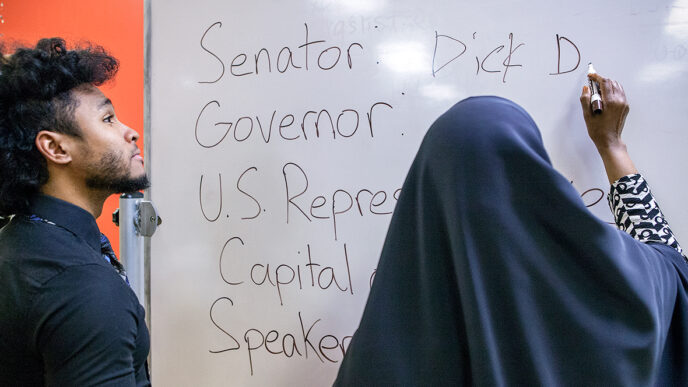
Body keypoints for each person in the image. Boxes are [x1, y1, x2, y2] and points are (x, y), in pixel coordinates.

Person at [334, 74, 687, 385]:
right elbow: (670, 264)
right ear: (537, 185)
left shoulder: (376, 356)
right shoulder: (604, 297)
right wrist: (611, 146)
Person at [0, 38, 151, 385]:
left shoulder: (15, 243)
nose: (131, 132)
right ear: (55, 147)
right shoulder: (85, 287)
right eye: (108, 119)